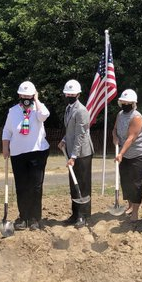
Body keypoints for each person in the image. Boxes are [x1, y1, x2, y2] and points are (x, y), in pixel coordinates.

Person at [2, 81, 50, 231]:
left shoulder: (38, 109)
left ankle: (35, 217)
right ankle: (23, 216)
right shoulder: (13, 111)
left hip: (37, 152)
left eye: (29, 95)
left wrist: (36, 100)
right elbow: (7, 131)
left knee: (35, 186)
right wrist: (5, 147)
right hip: (18, 154)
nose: (25, 98)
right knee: (21, 186)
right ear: (19, 95)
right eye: (23, 95)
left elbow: (44, 115)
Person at [58, 79, 93, 229]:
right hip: (72, 150)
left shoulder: (82, 110)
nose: (70, 96)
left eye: (72, 94)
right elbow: (70, 131)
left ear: (78, 94)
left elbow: (80, 135)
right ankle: (75, 213)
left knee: (83, 185)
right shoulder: (68, 108)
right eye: (68, 93)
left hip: (82, 153)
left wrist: (73, 156)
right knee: (73, 184)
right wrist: (64, 140)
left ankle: (83, 215)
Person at [113, 89, 142, 221]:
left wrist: (120, 153)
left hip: (140, 153)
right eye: (123, 102)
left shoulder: (136, 117)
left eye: (128, 102)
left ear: (133, 103)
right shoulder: (120, 115)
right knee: (126, 181)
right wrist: (115, 137)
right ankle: (129, 206)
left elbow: (131, 137)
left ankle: (135, 212)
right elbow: (115, 129)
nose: (125, 104)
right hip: (125, 154)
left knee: (136, 183)